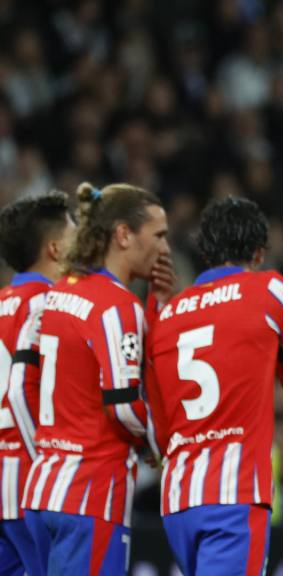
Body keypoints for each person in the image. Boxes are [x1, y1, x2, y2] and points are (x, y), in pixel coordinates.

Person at [146, 197, 283, 576]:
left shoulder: (169, 313)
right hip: (234, 494)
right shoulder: (273, 291)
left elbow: (160, 427)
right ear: (259, 254)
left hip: (177, 499)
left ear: (205, 251)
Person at [22, 183, 173, 575]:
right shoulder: (117, 306)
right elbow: (123, 406)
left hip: (43, 489)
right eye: (158, 236)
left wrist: (154, 305)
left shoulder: (59, 292)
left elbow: (30, 384)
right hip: (91, 496)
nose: (165, 249)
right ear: (124, 235)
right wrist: (158, 443)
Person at [0, 192, 75, 576]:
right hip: (29, 483)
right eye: (76, 232)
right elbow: (20, 394)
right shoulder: (54, 306)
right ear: (55, 248)